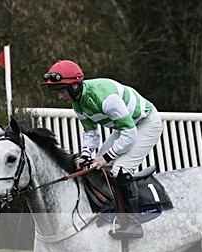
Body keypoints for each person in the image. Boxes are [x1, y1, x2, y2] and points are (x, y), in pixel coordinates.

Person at [41, 59, 163, 239]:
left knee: (120, 169)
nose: (60, 97)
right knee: (93, 167)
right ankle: (109, 210)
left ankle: (133, 224)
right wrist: (85, 155)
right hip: (127, 128)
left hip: (145, 124)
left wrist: (106, 157)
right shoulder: (78, 103)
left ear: (74, 86)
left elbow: (130, 134)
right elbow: (90, 132)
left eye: (61, 91)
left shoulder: (106, 99)